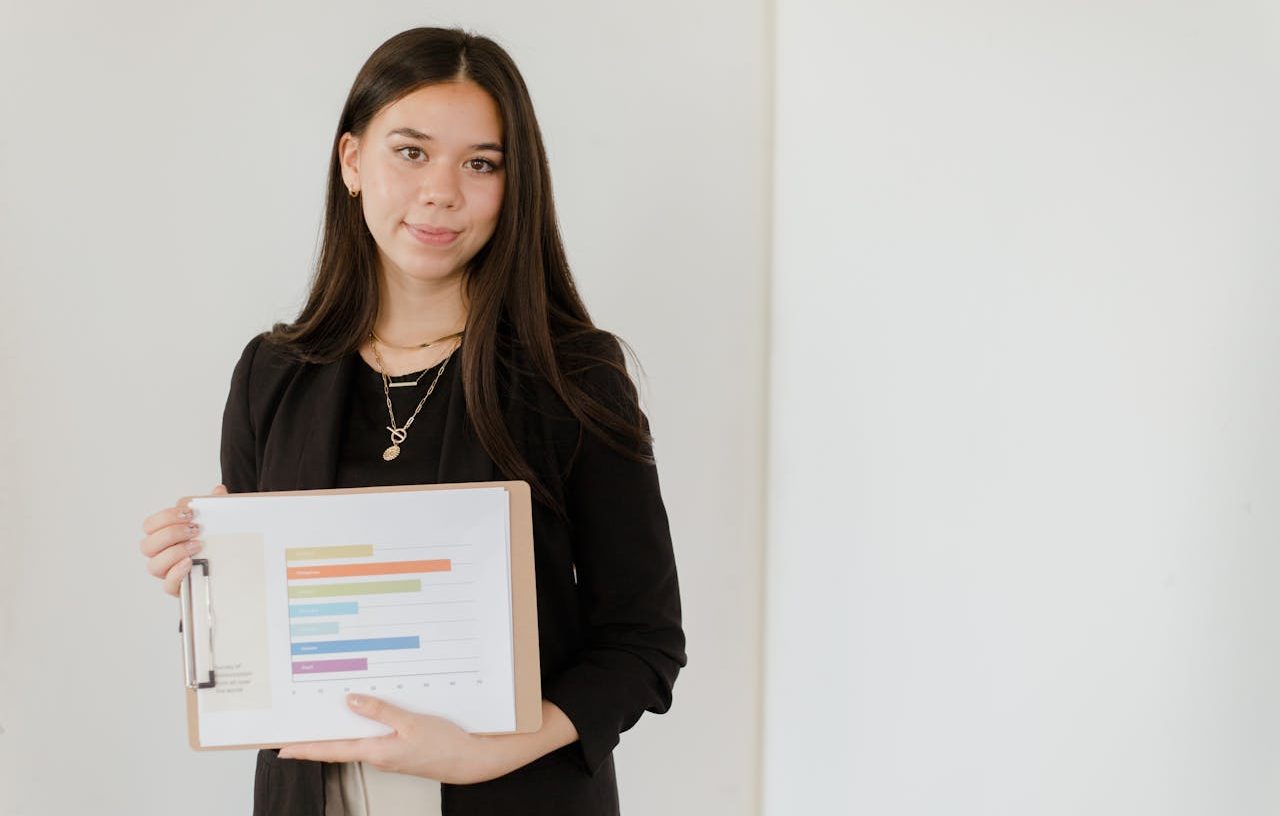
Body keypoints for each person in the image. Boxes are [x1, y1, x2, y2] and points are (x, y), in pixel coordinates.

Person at [136, 26, 686, 816]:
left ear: (513, 183)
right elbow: (260, 655)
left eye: (481, 163)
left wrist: (483, 754)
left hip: (515, 793)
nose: (442, 191)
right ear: (353, 162)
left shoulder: (575, 377)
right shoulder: (273, 374)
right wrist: (203, 581)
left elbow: (644, 644)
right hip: (313, 796)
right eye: (411, 152)